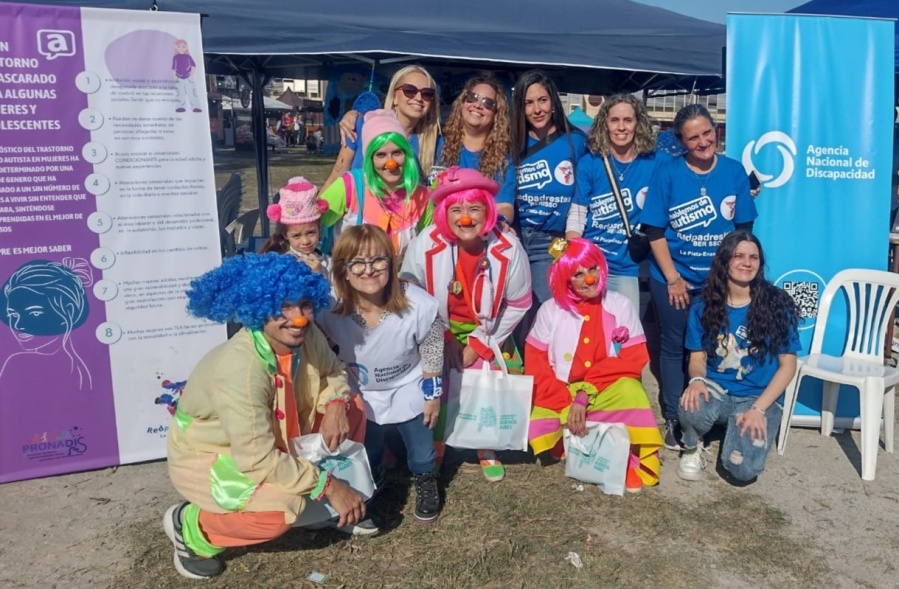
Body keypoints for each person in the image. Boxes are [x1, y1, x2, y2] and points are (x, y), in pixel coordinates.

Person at [164, 253, 371, 580]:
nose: (298, 318)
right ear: (257, 309)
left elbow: (334, 372)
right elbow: (256, 458)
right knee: (279, 511)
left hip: (276, 433)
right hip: (217, 454)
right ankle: (193, 528)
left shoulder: (307, 333)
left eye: (304, 305)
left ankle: (320, 510)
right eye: (283, 308)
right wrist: (328, 485)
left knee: (353, 409)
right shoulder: (240, 369)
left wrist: (335, 404)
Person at [401, 166, 532, 482]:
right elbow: (408, 289)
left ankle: (485, 444)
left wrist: (478, 343)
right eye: (456, 210)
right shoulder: (425, 243)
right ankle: (434, 444)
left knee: (483, 384)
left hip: (489, 330)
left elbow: (519, 303)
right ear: (444, 212)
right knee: (435, 382)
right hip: (437, 329)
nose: (465, 218)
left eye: (474, 209)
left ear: (487, 210)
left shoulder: (509, 248)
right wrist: (442, 337)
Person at [640, 104, 758, 450]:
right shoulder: (668, 172)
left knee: (713, 346)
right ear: (682, 141)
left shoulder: (734, 171)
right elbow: (654, 231)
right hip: (673, 278)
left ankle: (709, 414)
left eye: (708, 132)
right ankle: (676, 418)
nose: (704, 141)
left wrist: (729, 278)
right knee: (675, 346)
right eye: (694, 137)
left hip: (717, 282)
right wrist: (673, 278)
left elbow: (743, 230)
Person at [316, 225, 444, 523]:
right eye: (357, 262)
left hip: (408, 384)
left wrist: (433, 395)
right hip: (361, 389)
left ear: (391, 263)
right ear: (343, 270)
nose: (368, 270)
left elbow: (433, 346)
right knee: (367, 445)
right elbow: (321, 346)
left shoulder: (417, 304)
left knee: (420, 443)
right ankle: (372, 478)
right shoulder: (331, 308)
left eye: (378, 261)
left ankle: (426, 478)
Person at [526, 238, 663, 492]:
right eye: (578, 274)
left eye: (593, 269)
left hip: (604, 390)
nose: (589, 279)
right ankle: (576, 434)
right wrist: (565, 404)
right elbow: (536, 364)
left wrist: (584, 397)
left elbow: (634, 359)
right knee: (535, 422)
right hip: (561, 390)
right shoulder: (549, 310)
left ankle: (629, 456)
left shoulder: (620, 304)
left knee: (632, 392)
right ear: (565, 279)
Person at [677, 231, 799, 483]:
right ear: (725, 261)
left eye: (753, 257)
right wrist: (696, 381)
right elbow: (697, 359)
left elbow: (788, 366)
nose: (747, 263)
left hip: (757, 397)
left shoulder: (777, 304)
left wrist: (758, 409)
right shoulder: (703, 305)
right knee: (691, 406)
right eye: (739, 256)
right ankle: (693, 444)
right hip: (717, 389)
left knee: (742, 471)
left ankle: (736, 429)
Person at [497, 70, 588, 306]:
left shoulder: (575, 141)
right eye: (528, 103)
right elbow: (505, 195)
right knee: (509, 308)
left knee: (547, 307)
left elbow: (582, 197)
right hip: (513, 236)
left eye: (542, 100)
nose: (536, 110)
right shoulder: (511, 142)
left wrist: (570, 242)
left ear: (553, 102)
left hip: (552, 242)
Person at [565, 94, 659, 311]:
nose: (621, 127)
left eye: (628, 120)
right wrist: (574, 257)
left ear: (638, 123)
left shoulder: (655, 161)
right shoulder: (590, 162)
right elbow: (578, 214)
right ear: (605, 124)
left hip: (629, 268)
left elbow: (689, 175)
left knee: (625, 333)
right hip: (592, 265)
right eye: (614, 120)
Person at [319, 109, 432, 259]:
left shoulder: (421, 197)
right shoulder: (350, 186)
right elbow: (313, 224)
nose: (390, 163)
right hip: (348, 279)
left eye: (397, 153)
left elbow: (430, 244)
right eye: (381, 155)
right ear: (370, 159)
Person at [324, 65, 442, 189]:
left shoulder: (435, 143)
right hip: (357, 206)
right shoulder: (361, 127)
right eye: (410, 90)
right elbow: (335, 180)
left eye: (427, 93)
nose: (418, 98)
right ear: (395, 97)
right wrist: (315, 207)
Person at [0, 258, 93, 390]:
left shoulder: (18, 363)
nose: (18, 325)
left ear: (69, 311)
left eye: (34, 313)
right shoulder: (80, 369)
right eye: (13, 315)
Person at [433, 71, 511, 185]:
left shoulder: (504, 160)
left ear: (496, 114)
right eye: (472, 97)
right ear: (462, 102)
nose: (478, 105)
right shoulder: (436, 145)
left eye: (487, 102)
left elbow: (503, 203)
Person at [261, 176, 330, 279]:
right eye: (296, 236)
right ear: (285, 235)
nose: (305, 241)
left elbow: (338, 292)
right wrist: (316, 277)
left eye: (311, 233)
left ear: (319, 229)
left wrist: (321, 273)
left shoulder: (329, 263)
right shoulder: (281, 266)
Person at [171, 39, 202, 113]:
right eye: (179, 47)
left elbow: (193, 66)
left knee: (192, 92)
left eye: (183, 47)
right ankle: (180, 106)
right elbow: (173, 68)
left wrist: (191, 75)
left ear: (186, 47)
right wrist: (175, 78)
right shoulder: (175, 57)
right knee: (180, 93)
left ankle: (196, 106)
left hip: (188, 77)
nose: (181, 48)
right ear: (176, 48)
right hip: (179, 77)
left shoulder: (188, 57)